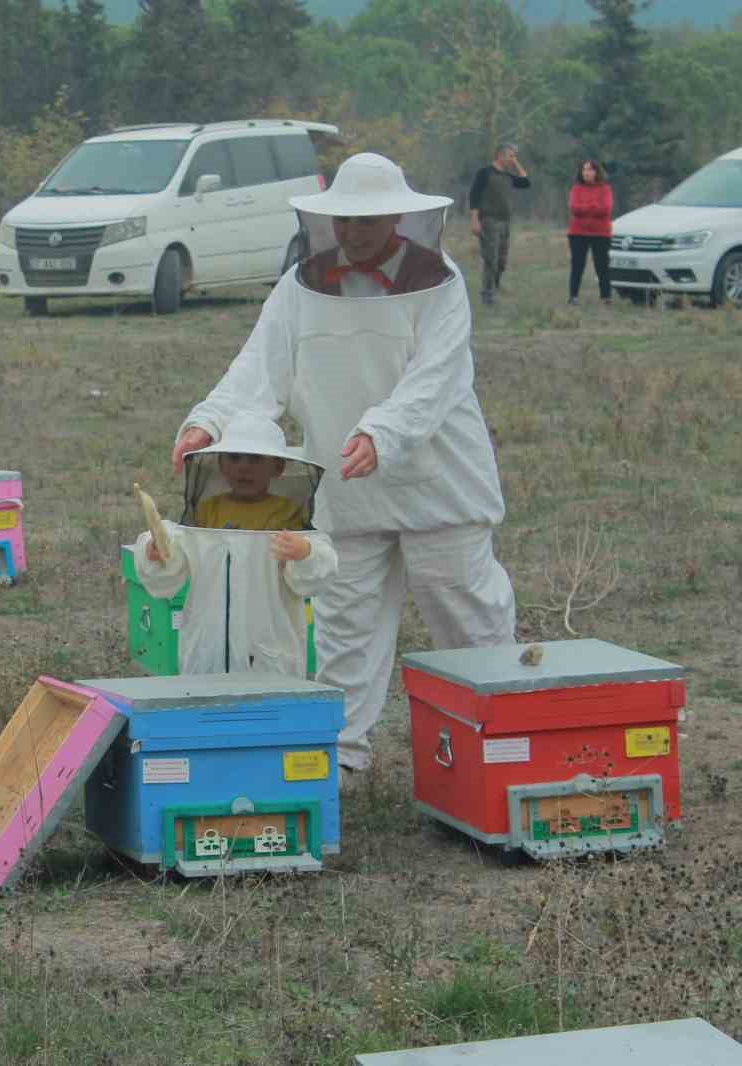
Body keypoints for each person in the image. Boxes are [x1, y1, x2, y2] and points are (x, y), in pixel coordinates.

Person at [171, 152, 516, 780]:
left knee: (466, 614)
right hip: (346, 484)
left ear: (397, 219)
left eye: (369, 221)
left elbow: (437, 378)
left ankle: (501, 743)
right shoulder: (300, 285)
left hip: (440, 485)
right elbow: (260, 365)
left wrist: (383, 432)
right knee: (344, 624)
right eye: (346, 221)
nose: (355, 233)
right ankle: (340, 760)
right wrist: (211, 420)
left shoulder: (440, 282)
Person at [134, 413, 336, 678]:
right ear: (220, 464)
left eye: (255, 459)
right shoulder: (207, 511)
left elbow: (318, 572)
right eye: (235, 458)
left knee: (268, 701)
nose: (244, 468)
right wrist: (159, 552)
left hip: (269, 646)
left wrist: (305, 553)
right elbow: (174, 566)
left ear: (277, 467)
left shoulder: (288, 514)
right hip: (207, 643)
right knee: (206, 700)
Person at [468, 143, 531, 306]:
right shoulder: (485, 173)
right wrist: (474, 220)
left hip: (505, 222)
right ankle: (487, 294)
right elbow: (474, 196)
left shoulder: (508, 176)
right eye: (511, 156)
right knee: (491, 258)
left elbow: (525, 182)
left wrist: (515, 163)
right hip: (488, 221)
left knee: (502, 261)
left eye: (514, 157)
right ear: (500, 156)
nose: (513, 159)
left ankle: (494, 287)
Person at [567, 159, 614, 306]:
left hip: (601, 234)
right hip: (578, 233)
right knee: (577, 265)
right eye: (584, 169)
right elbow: (574, 209)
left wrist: (585, 208)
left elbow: (606, 209)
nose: (586, 172)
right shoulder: (576, 189)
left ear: (596, 172)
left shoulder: (605, 189)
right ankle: (573, 297)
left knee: (602, 266)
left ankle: (606, 297)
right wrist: (593, 206)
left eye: (590, 169)